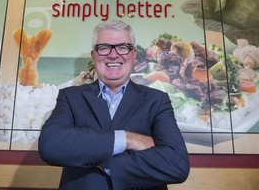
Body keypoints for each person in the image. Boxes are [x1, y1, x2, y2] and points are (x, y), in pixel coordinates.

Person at [38, 20, 190, 190]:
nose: (113, 55)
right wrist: (128, 139)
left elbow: (176, 165)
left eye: (123, 47)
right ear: (94, 56)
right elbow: (50, 145)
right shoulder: (71, 97)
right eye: (103, 47)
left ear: (133, 55)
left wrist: (106, 162)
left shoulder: (157, 100)